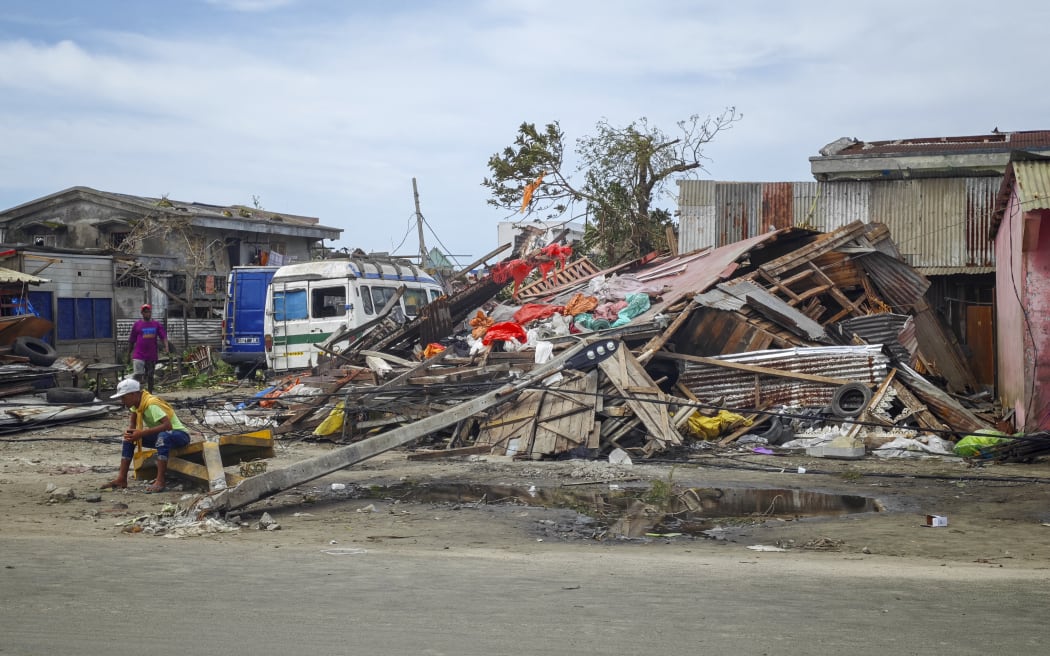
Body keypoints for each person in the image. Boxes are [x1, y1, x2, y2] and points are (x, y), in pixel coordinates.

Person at [101, 378, 190, 493]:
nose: (122, 401)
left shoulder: (151, 404)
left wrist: (141, 433)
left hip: (179, 435)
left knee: (163, 436)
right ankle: (122, 478)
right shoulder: (137, 404)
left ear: (133, 394)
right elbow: (132, 425)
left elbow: (168, 426)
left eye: (124, 397)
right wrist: (131, 434)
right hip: (162, 435)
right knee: (129, 439)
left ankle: (160, 480)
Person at [128, 303, 169, 392]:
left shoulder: (156, 324)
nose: (147, 313)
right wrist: (128, 353)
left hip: (151, 355)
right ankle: (135, 393)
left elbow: (163, 337)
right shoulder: (137, 325)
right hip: (139, 355)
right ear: (142, 313)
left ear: (151, 313)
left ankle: (150, 394)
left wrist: (166, 347)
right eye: (145, 312)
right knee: (138, 375)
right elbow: (132, 340)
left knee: (150, 375)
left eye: (148, 312)